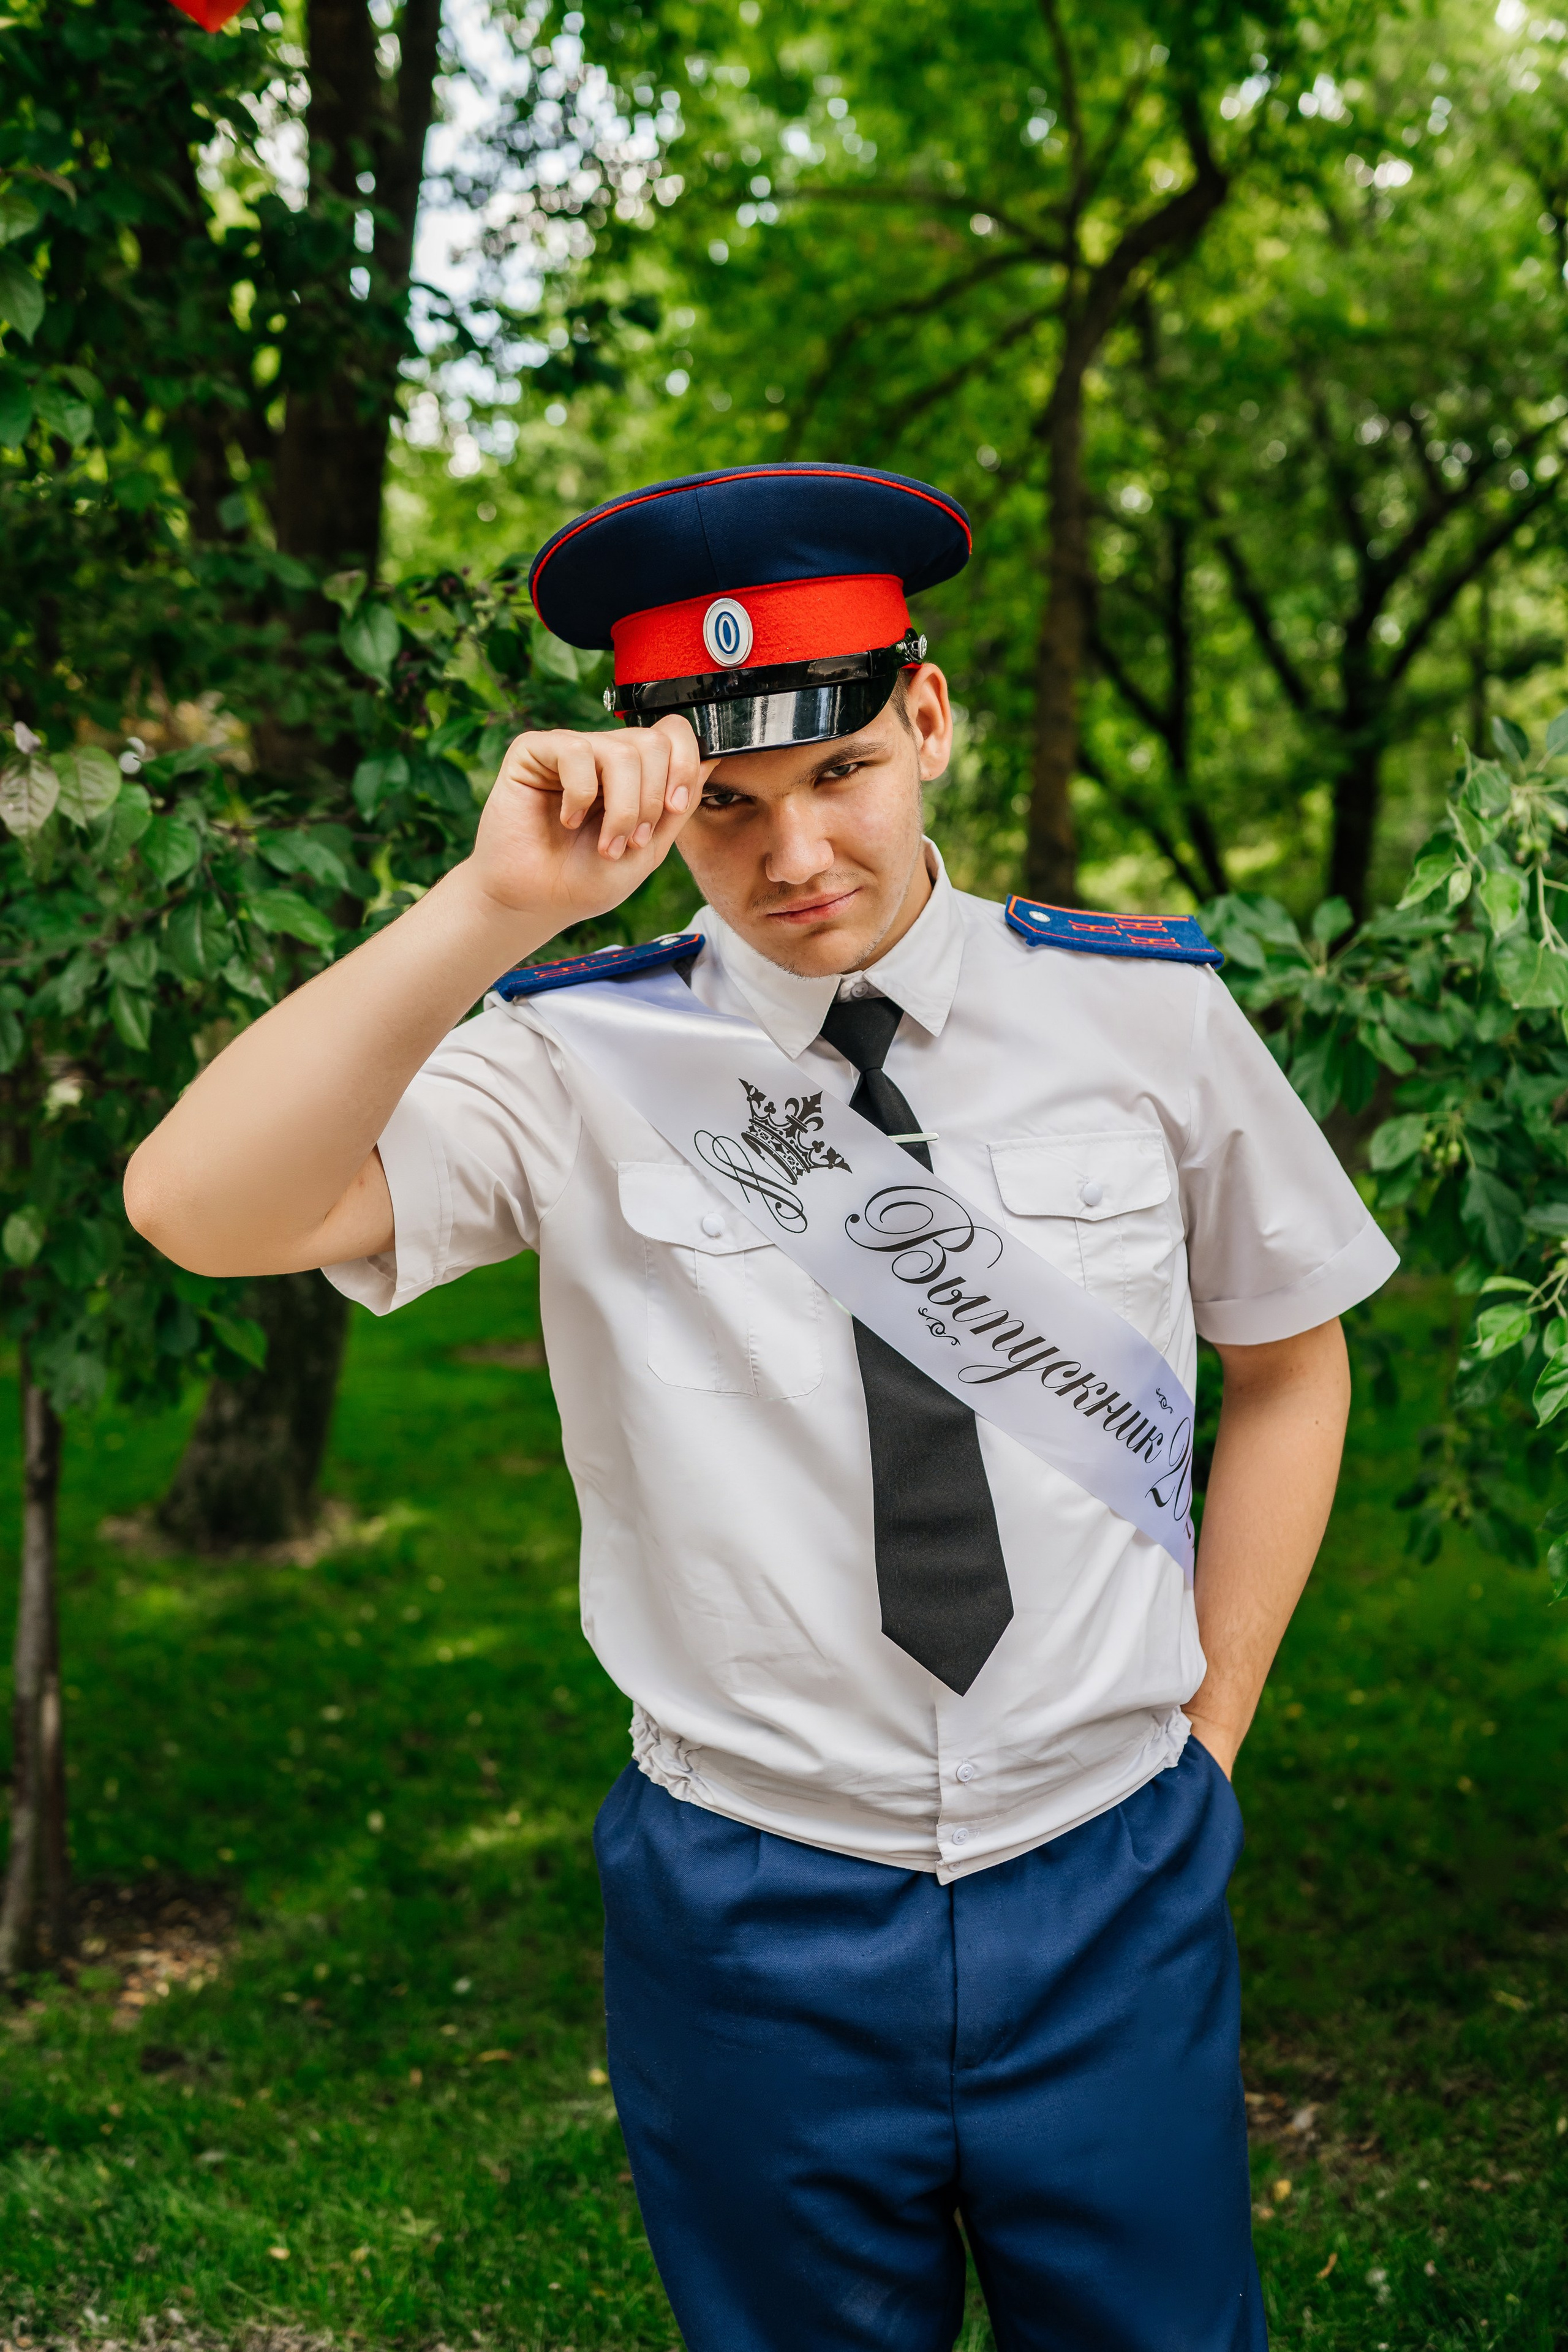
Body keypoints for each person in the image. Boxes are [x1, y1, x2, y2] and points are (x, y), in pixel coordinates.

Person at [126, 462, 1397, 2352]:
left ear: (931, 720)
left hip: (1109, 1868)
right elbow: (197, 1206)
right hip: (751, 1904)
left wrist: (1209, 1736)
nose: (795, 853)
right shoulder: (578, 1059)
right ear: (657, 797)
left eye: (840, 774)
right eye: (724, 804)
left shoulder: (1145, 1015)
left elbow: (1292, 1363)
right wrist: (491, 910)